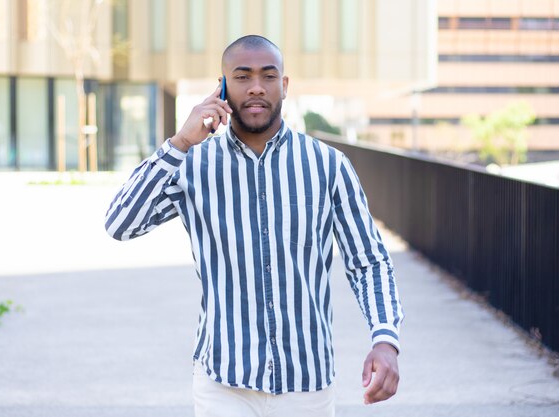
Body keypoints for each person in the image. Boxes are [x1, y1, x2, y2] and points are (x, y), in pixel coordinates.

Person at [105, 34, 404, 417]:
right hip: (223, 384)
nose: (257, 88)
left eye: (268, 75)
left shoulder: (328, 165)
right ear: (222, 86)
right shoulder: (193, 164)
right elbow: (121, 223)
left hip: (307, 383)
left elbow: (369, 262)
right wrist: (180, 143)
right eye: (242, 77)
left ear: (285, 85)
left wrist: (385, 339)